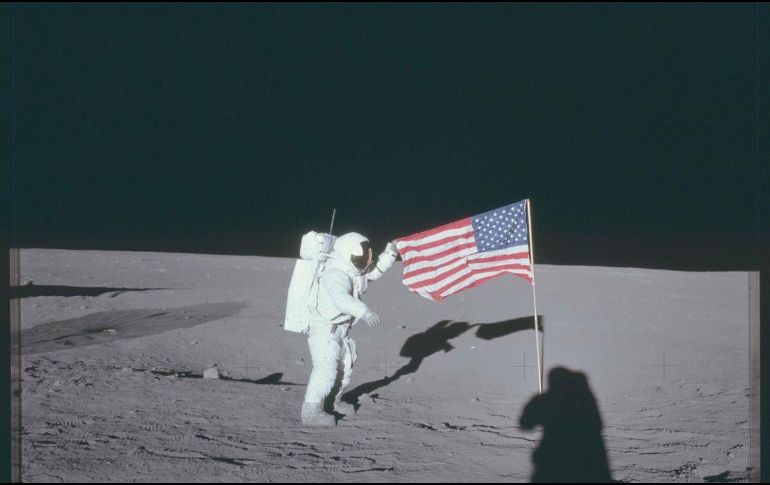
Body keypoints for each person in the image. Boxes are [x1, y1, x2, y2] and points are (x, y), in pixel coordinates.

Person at [301, 232, 399, 426]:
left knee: (345, 367)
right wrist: (365, 312)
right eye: (362, 258)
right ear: (349, 254)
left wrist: (390, 253)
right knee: (325, 371)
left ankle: (332, 401)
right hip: (324, 330)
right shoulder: (334, 274)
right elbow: (341, 300)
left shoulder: (352, 272)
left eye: (367, 257)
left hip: (340, 331)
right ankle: (311, 412)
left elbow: (374, 272)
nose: (365, 262)